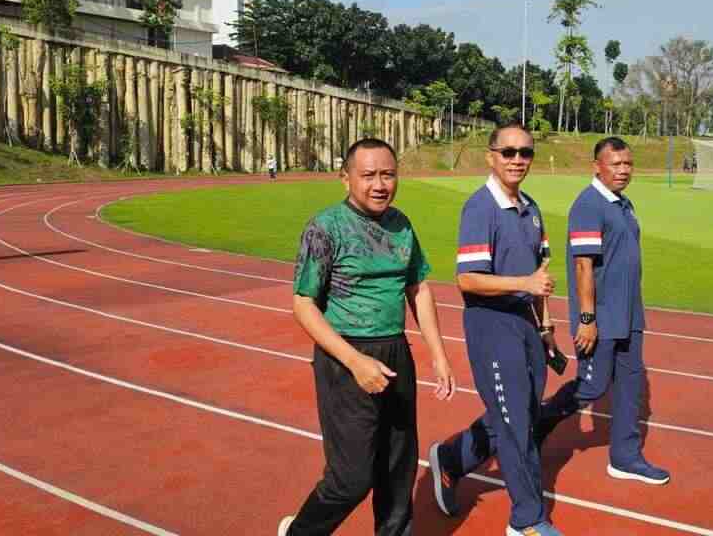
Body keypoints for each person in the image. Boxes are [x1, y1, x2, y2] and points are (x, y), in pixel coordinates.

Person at [278, 138, 456, 536]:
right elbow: (304, 304)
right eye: (369, 175)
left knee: (398, 469)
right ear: (345, 179)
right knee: (352, 477)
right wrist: (356, 362)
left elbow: (418, 288)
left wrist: (439, 355)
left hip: (395, 351)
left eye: (388, 175)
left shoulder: (401, 224)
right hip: (346, 356)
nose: (380, 184)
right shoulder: (325, 228)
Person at [428, 123, 563, 536]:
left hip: (526, 323)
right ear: (491, 156)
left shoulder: (532, 208)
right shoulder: (480, 208)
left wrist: (546, 329)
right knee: (516, 424)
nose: (517, 160)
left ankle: (451, 458)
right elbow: (467, 279)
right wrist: (524, 284)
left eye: (525, 153)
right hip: (491, 324)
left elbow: (539, 274)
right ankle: (527, 519)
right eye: (508, 152)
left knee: (518, 412)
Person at [533, 137, 670, 485]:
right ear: (597, 166)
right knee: (592, 387)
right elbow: (583, 267)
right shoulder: (588, 205)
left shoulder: (624, 204)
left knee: (630, 384)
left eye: (627, 164)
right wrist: (587, 319)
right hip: (601, 316)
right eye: (615, 164)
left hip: (629, 314)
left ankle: (625, 457)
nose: (623, 170)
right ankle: (533, 429)